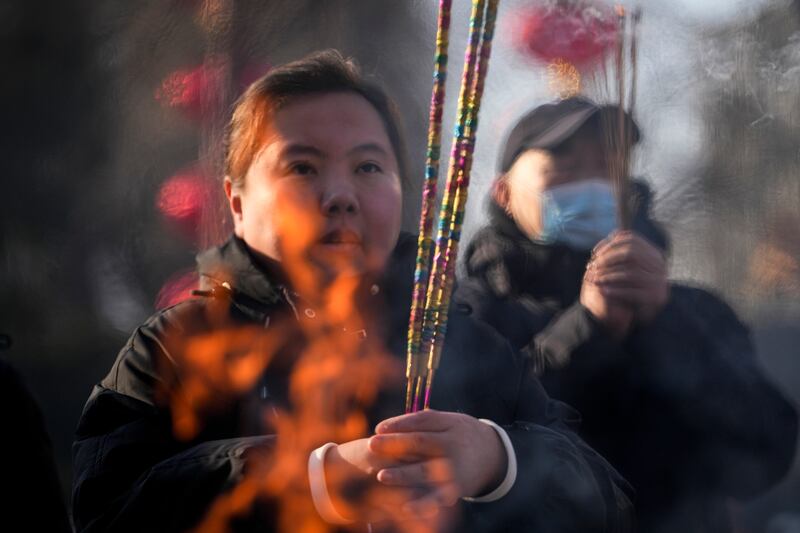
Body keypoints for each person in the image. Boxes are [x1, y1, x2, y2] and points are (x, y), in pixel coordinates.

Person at [72, 52, 634, 533]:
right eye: (302, 166)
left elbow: (609, 502)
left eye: (368, 166)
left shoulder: (461, 341)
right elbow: (106, 511)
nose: (340, 195)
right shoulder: (177, 346)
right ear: (236, 203)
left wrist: (497, 461)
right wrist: (315, 479)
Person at [457, 96, 799, 533]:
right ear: (503, 193)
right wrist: (587, 328)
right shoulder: (473, 313)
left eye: (606, 166)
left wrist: (666, 322)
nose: (592, 183)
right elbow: (482, 437)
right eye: (564, 168)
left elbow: (766, 450)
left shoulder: (694, 310)